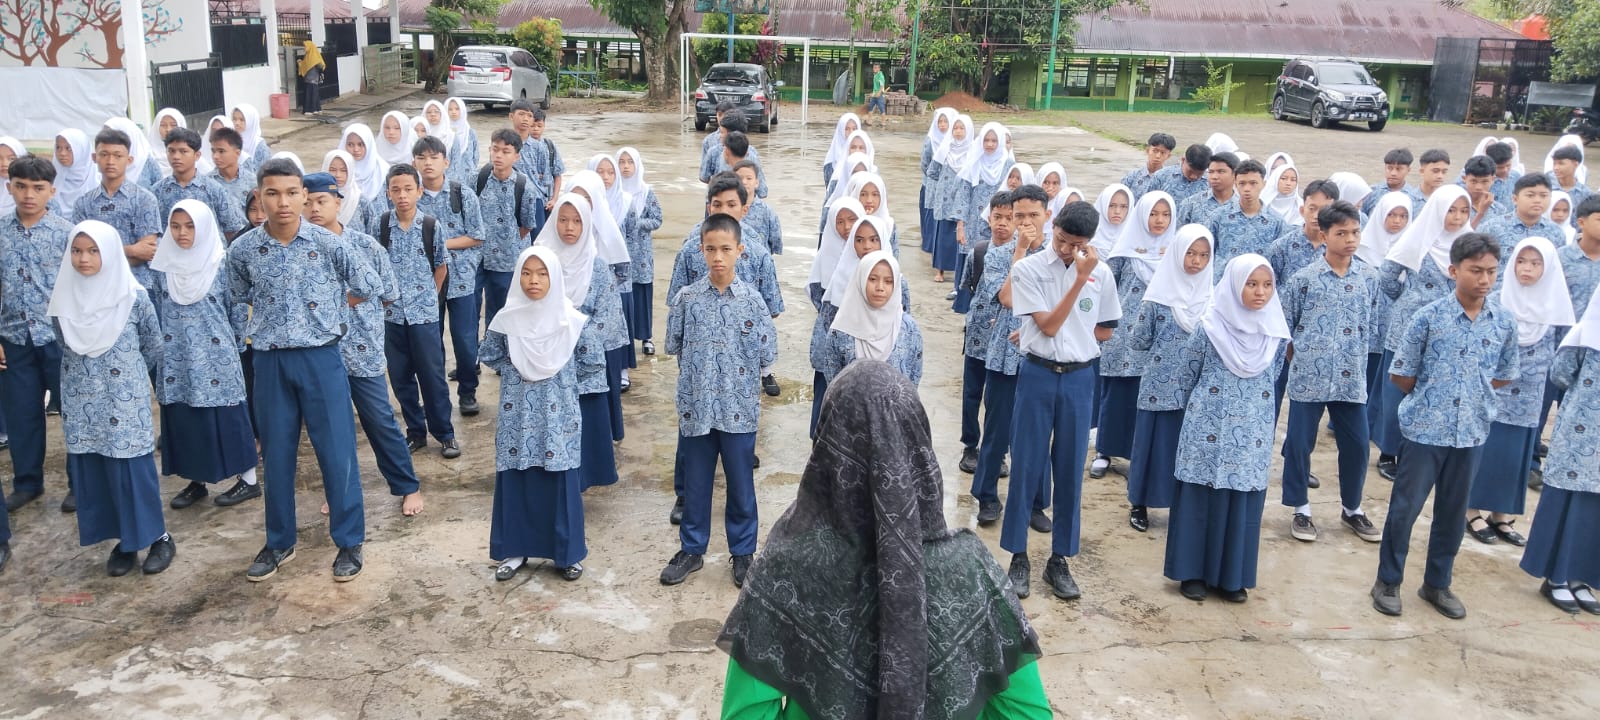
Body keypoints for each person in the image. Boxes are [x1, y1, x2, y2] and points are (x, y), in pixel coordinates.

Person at [717, 361, 1050, 720]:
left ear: (828, 446)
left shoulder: (787, 566)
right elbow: (1028, 714)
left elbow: (745, 715)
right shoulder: (969, 569)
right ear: (918, 446)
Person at [227, 158, 380, 582]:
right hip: (271, 361)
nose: (283, 202)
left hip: (321, 359)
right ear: (259, 196)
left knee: (337, 453)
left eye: (292, 193)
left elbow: (369, 285)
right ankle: (279, 541)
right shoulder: (244, 249)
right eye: (272, 193)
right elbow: (235, 294)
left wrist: (332, 314)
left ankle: (349, 541)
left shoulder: (327, 244)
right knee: (276, 456)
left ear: (304, 196)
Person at [1373, 232, 1519, 619]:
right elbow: (1402, 374)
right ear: (1455, 271)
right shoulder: (1428, 317)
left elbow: (1503, 374)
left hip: (1471, 432)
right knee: (1405, 510)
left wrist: (1472, 398)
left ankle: (1437, 584)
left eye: (1491, 271)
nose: (1484, 279)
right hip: (1425, 430)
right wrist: (1433, 399)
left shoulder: (1503, 323)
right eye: (1475, 271)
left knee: (1453, 514)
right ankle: (1388, 580)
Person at [1001, 200, 1122, 601]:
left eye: (1077, 244)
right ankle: (1018, 555)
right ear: (1053, 229)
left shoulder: (1101, 274)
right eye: (1062, 240)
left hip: (1078, 379)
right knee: (1026, 466)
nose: (1068, 250)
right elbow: (1049, 327)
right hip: (1037, 375)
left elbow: (1105, 328)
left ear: (1090, 241)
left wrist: (1080, 337)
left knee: (1070, 470)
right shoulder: (1028, 269)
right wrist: (1076, 283)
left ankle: (1060, 560)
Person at [48, 220, 172, 575]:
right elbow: (63, 343)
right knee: (97, 470)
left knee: (131, 469)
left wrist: (123, 378)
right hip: (80, 399)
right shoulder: (63, 299)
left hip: (123, 398)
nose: (83, 259)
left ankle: (158, 537)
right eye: (76, 250)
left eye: (93, 251)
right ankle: (124, 540)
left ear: (111, 253)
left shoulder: (133, 298)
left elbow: (152, 345)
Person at [660, 213, 777, 588]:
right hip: (697, 408)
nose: (718, 257)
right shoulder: (687, 299)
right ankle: (691, 550)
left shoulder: (753, 303)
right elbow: (673, 346)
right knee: (696, 483)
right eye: (711, 249)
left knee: (742, 485)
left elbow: (766, 353)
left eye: (726, 249)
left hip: (738, 410)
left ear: (740, 251)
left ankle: (743, 553)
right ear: (701, 250)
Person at [1163, 254, 1289, 603]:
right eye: (1251, 284)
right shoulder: (1209, 327)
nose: (1260, 292)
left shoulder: (1275, 334)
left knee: (1241, 500)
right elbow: (1187, 374)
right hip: (1208, 427)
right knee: (1201, 495)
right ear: (1234, 285)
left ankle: (1232, 577)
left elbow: (1276, 376)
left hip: (1252, 431)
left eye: (1267, 285)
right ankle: (1192, 574)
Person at [302, 171, 422, 516]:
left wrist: (348, 308)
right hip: (320, 354)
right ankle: (339, 492)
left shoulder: (365, 245)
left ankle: (407, 486)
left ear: (338, 203)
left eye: (321, 201)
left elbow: (387, 293)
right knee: (331, 428)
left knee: (380, 420)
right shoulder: (300, 250)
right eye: (307, 202)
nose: (314, 209)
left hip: (363, 350)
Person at [484, 245, 591, 582]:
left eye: (542, 273)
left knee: (558, 482)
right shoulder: (506, 320)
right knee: (517, 478)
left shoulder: (571, 322)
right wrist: (521, 374)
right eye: (527, 273)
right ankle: (514, 551)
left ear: (555, 277)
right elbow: (490, 355)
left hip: (557, 421)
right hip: (517, 419)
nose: (533, 280)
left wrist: (560, 386)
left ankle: (566, 554)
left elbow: (591, 363)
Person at [1278, 201, 1382, 543]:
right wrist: (1304, 359)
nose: (1350, 239)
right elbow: (1287, 329)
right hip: (1309, 376)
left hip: (1351, 378)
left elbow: (1372, 325)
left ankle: (1352, 508)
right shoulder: (1304, 280)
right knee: (1299, 443)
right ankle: (1301, 509)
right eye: (1341, 233)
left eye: (1355, 232)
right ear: (1323, 236)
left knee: (1357, 446)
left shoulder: (1369, 277)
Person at [148, 200, 258, 511]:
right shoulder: (163, 266)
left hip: (215, 355)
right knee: (184, 417)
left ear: (205, 226)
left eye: (190, 225)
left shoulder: (221, 264)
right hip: (176, 357)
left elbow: (237, 310)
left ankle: (248, 480)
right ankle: (195, 480)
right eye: (176, 226)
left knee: (227, 415)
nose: (182, 233)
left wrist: (236, 348)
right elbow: (156, 309)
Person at [1466, 237, 1569, 548]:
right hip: (1494, 388)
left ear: (1548, 268)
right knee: (1487, 446)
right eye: (1522, 261)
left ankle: (1501, 514)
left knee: (1517, 452)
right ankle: (1471, 510)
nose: (1527, 269)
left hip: (1531, 392)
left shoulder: (1557, 303)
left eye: (1536, 263)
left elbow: (1564, 351)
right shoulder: (1495, 299)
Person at [1374, 186, 1472, 481]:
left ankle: (1422, 446)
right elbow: (1388, 275)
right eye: (1451, 210)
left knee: (1433, 386)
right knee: (1397, 390)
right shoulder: (1419, 237)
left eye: (1464, 211)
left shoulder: (1468, 244)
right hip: (1410, 325)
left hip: (1449, 327)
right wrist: (1408, 299)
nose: (1457, 217)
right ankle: (1389, 450)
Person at [1123, 224, 1212, 534]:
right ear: (1176, 253)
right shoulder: (1157, 298)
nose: (1197, 261)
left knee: (1185, 446)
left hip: (1196, 389)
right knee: (1150, 445)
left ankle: (1182, 504)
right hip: (1158, 385)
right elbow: (1137, 340)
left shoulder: (1212, 300)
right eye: (1189, 253)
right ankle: (1140, 503)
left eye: (1204, 255)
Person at [535, 193, 625, 493]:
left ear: (587, 224)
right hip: (548, 360)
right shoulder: (540, 261)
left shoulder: (597, 267)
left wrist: (574, 341)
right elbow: (527, 307)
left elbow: (608, 317)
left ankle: (583, 478)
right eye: (562, 220)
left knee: (586, 420)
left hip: (584, 362)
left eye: (576, 221)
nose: (569, 227)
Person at [973, 186, 1052, 526]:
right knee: (996, 430)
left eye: (1033, 215)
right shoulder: (999, 252)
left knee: (1036, 433)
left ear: (1047, 216)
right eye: (1019, 216)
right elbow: (1006, 298)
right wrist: (1020, 251)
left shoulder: (1057, 255)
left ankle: (1035, 503)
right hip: (1004, 355)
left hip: (1041, 358)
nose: (1025, 222)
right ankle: (987, 496)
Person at [0, 155, 73, 514]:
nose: (29, 194)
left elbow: (78, 286)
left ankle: (79, 483)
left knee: (73, 411)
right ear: (9, 186)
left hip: (58, 338)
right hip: (13, 339)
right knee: (21, 415)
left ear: (51, 191)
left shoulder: (65, 232)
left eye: (38, 188)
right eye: (22, 186)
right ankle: (27, 482)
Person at [1521, 288, 1600, 614]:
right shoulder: (1586, 334)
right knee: (1567, 498)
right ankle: (1556, 577)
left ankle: (1581, 577)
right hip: (1580, 432)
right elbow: (1561, 374)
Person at [668, 174, 783, 394]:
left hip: (741, 365)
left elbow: (771, 309)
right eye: (717, 204)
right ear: (708, 208)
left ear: (744, 209)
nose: (724, 211)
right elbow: (676, 305)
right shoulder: (691, 251)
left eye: (731, 205)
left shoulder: (759, 253)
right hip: (698, 367)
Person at [1092, 191, 1175, 480]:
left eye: (1165, 214)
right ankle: (1104, 451)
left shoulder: (1175, 254)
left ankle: (1136, 457)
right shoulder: (1124, 252)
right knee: (1116, 394)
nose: (1159, 220)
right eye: (1153, 213)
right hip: (1122, 335)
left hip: (1155, 338)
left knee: (1145, 396)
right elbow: (1103, 286)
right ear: (1142, 215)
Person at [377, 163, 459, 458]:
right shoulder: (381, 225)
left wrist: (429, 299)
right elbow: (375, 267)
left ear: (419, 191)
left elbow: (441, 265)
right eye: (396, 189)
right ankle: (415, 431)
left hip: (423, 315)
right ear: (388, 193)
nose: (402, 195)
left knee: (432, 375)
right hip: (392, 317)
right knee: (400, 376)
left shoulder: (430, 225)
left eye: (408, 189)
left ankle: (445, 433)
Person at [411, 135, 486, 416]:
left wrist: (439, 244)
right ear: (414, 162)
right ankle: (438, 396)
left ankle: (468, 391)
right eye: (422, 158)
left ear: (446, 162)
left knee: (465, 340)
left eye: (433, 157)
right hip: (426, 282)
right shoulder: (411, 196)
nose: (428, 163)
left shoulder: (462, 194)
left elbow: (478, 235)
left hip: (462, 279)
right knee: (431, 342)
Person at [959, 191, 1015, 475]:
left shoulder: (1023, 256)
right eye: (997, 217)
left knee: (999, 401)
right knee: (971, 394)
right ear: (989, 217)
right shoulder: (978, 252)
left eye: (1009, 218)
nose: (1002, 223)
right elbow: (968, 287)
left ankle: (998, 451)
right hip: (978, 337)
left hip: (1005, 342)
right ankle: (970, 445)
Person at [70, 128, 162, 293]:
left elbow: (147, 252)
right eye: (104, 155)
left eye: (118, 155)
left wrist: (98, 252)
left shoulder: (144, 199)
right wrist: (131, 250)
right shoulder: (83, 203)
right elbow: (80, 250)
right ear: (94, 158)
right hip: (95, 286)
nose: (110, 161)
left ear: (129, 159)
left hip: (137, 285)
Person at [807, 198, 866, 438]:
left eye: (852, 220)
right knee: (826, 391)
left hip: (863, 341)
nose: (847, 227)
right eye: (839, 222)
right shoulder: (826, 255)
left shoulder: (873, 260)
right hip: (829, 336)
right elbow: (816, 293)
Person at [819, 246, 922, 384]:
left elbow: (914, 375)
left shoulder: (908, 328)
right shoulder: (840, 331)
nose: (880, 287)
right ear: (860, 280)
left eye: (888, 281)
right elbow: (833, 381)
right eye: (872, 279)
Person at [1357, 192, 1412, 448]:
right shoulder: (1364, 246)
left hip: (1395, 322)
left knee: (1383, 378)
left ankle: (1374, 423)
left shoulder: (1413, 245)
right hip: (1370, 319)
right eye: (1391, 214)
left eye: (1403, 216)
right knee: (1365, 371)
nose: (1397, 221)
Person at [476, 129, 542, 330]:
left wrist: (507, 241)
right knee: (474, 306)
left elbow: (527, 226)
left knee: (505, 308)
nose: (498, 155)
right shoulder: (478, 179)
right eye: (495, 150)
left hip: (508, 260)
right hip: (479, 257)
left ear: (516, 156)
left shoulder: (524, 186)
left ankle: (507, 352)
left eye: (505, 151)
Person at [152, 128, 249, 239]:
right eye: (171, 151)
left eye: (183, 151)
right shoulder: (157, 191)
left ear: (197, 155)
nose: (176, 157)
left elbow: (231, 230)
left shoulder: (214, 189)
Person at [955, 122, 1011, 307]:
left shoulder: (1009, 165)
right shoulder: (975, 162)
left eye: (994, 140)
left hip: (1002, 222)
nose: (989, 145)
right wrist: (960, 225)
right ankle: (967, 303)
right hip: (974, 222)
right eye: (986, 140)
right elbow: (964, 194)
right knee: (975, 258)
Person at [1477, 173, 1564, 287]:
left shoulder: (1556, 233)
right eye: (1530, 195)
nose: (1537, 200)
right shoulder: (1492, 228)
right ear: (1515, 199)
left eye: (1543, 196)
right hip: (1499, 296)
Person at [615, 147, 662, 356]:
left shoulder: (645, 191)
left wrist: (637, 224)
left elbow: (657, 218)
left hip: (641, 254)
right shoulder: (612, 192)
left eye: (629, 162)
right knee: (621, 295)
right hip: (618, 253)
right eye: (621, 162)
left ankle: (646, 337)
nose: (625, 167)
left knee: (641, 294)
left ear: (637, 165)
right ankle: (624, 338)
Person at [1207, 159, 1287, 276]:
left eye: (1253, 183)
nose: (1247, 189)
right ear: (1235, 184)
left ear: (1263, 184)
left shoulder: (1276, 221)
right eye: (1242, 183)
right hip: (1222, 284)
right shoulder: (1219, 216)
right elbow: (1208, 251)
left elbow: (1280, 259)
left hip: (1258, 286)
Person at [930, 115, 974, 283]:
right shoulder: (944, 148)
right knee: (942, 236)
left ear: (968, 130)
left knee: (960, 235)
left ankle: (958, 271)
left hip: (962, 200)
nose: (958, 132)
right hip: (944, 200)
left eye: (962, 128)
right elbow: (932, 171)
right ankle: (940, 271)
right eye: (955, 128)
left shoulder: (972, 152)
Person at [338, 123, 390, 230]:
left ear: (369, 144)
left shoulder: (383, 171)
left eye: (361, 144)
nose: (356, 149)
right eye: (350, 145)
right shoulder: (338, 172)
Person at [919, 108, 956, 254]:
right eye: (939, 121)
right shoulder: (930, 140)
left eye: (946, 121)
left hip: (950, 188)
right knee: (931, 213)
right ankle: (929, 245)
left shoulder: (956, 141)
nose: (942, 125)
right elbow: (924, 163)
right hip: (932, 185)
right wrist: (935, 178)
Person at [734, 160, 781, 256]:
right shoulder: (727, 209)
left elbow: (775, 241)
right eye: (739, 178)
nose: (744, 182)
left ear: (756, 183)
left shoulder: (767, 211)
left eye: (749, 178)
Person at [1177, 151, 1236, 227]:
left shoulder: (1245, 206)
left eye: (1221, 172)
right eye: (1211, 172)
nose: (1214, 177)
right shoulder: (1191, 204)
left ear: (1235, 174)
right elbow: (1180, 235)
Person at [1362, 148, 1425, 216]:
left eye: (1399, 169)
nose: (1393, 173)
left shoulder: (1414, 197)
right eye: (1389, 168)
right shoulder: (1372, 192)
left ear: (1408, 170)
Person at [206, 128, 255, 213]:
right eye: (213, 151)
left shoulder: (253, 182)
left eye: (221, 151)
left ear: (237, 153)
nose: (215, 156)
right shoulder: (207, 182)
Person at [51, 129, 101, 211]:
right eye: (58, 148)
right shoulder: (50, 179)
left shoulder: (99, 181)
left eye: (69, 149)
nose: (62, 153)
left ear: (82, 150)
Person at [1122, 132, 1176, 200]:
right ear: (1147, 150)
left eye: (1163, 153)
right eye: (1155, 151)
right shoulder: (1133, 176)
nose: (1158, 156)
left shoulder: (1170, 180)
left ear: (1168, 156)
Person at [1546, 145, 1593, 218]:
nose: (1556, 168)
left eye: (1561, 163)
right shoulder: (1545, 186)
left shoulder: (1585, 194)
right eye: (1554, 164)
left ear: (1575, 164)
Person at [1460, 156, 1506, 229]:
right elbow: (1460, 237)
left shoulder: (1499, 210)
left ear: (1493, 180)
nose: (1479, 187)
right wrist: (1481, 213)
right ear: (1464, 179)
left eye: (1485, 181)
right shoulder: (1455, 207)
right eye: (1473, 181)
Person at [820, 112, 862, 188]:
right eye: (847, 129)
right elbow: (830, 192)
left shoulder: (865, 157)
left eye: (854, 129)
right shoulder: (831, 162)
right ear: (841, 131)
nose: (851, 133)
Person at [443, 97, 477, 188]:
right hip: (449, 176)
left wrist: (472, 169)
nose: (453, 112)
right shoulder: (443, 133)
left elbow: (475, 155)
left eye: (457, 109)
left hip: (468, 176)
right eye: (450, 109)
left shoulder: (470, 132)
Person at [297, 40, 326, 114]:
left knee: (311, 95)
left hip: (312, 79)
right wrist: (300, 63)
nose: (304, 48)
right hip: (309, 79)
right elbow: (305, 65)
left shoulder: (313, 56)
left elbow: (320, 66)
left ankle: (309, 110)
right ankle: (316, 109)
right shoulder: (308, 55)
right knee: (313, 95)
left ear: (310, 47)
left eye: (305, 46)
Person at [866, 61, 888, 127]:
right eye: (874, 68)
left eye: (876, 68)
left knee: (882, 108)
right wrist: (873, 93)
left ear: (879, 69)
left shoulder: (880, 76)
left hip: (879, 95)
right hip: (874, 94)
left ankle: (883, 122)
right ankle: (869, 121)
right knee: (870, 107)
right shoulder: (875, 75)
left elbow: (881, 86)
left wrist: (878, 93)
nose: (874, 69)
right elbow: (876, 86)